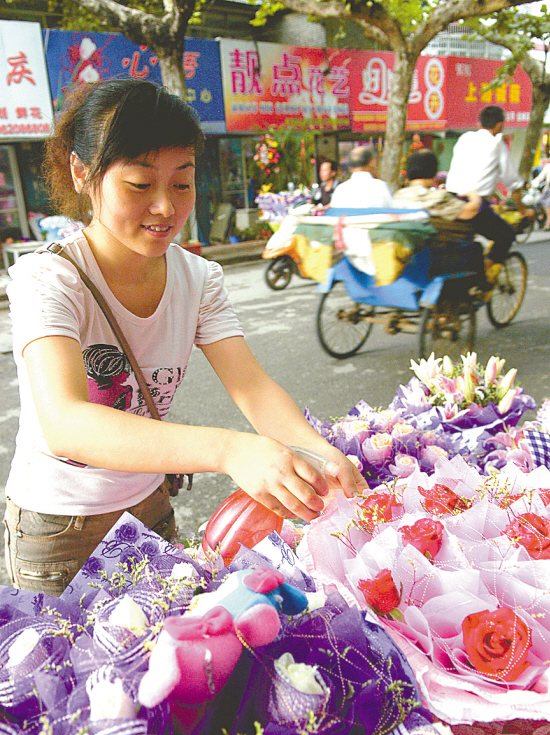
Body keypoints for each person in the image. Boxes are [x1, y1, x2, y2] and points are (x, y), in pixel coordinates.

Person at [4, 78, 364, 597]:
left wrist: (320, 453)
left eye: (181, 183)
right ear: (83, 173)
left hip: (150, 509)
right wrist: (228, 451)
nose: (165, 208)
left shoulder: (199, 278)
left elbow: (253, 388)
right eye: (139, 185)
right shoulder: (48, 279)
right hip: (61, 529)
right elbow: (65, 423)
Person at [445, 105, 533, 279]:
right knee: (506, 234)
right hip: (474, 206)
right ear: (500, 125)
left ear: (479, 122)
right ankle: (485, 270)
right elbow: (513, 184)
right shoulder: (496, 144)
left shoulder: (465, 138)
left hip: (450, 202)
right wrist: (523, 210)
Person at [394, 149, 487, 288]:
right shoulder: (437, 197)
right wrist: (474, 196)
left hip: (404, 256)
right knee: (475, 248)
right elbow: (469, 212)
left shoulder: (398, 196)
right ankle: (479, 288)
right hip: (432, 258)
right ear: (433, 173)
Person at [531, 159, 550, 230]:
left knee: (548, 204)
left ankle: (548, 223)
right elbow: (540, 177)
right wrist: (533, 183)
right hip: (547, 189)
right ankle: (542, 215)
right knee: (538, 202)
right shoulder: (548, 167)